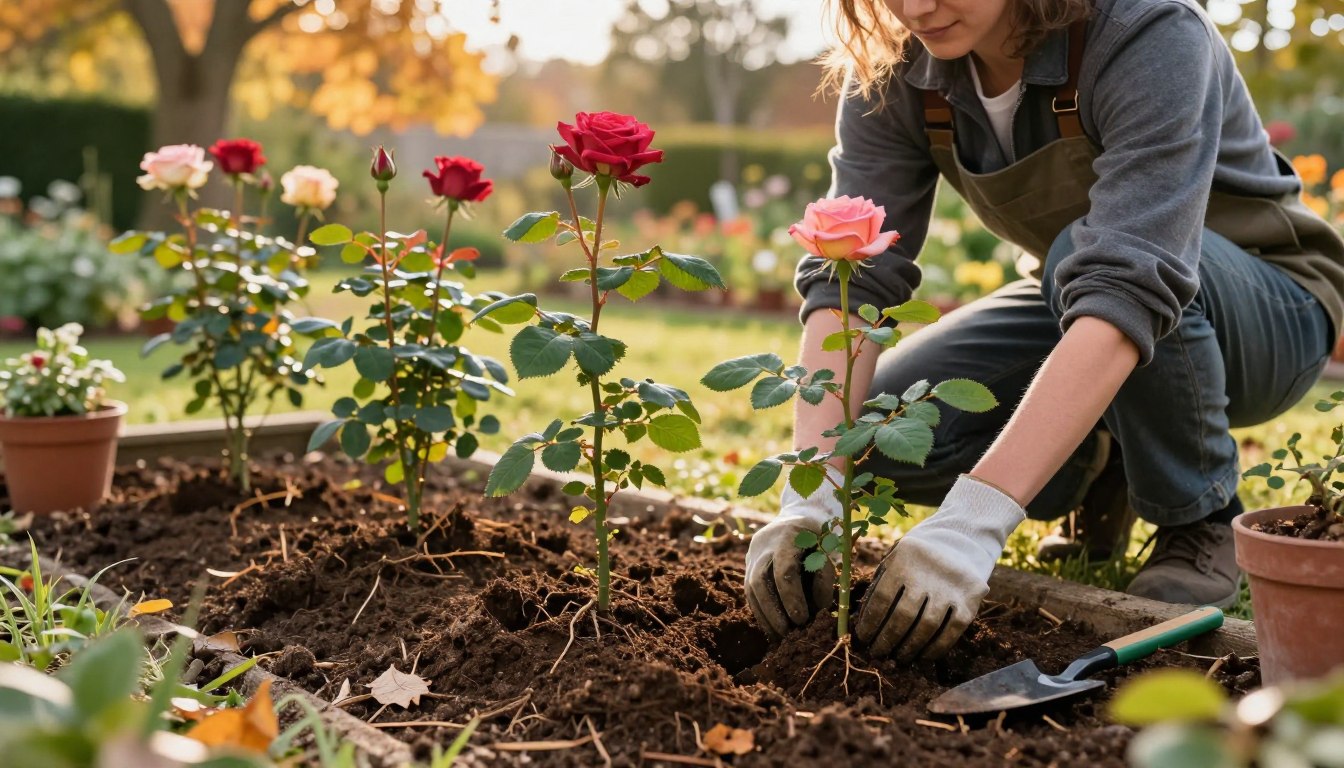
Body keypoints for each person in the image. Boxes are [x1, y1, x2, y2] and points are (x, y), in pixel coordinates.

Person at [744, 0, 1344, 662]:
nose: (916, 7)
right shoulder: (895, 67)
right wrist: (813, 489)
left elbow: (1132, 278)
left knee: (1093, 262)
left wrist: (977, 520)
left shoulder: (1147, 30)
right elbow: (849, 278)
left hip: (1270, 312)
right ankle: (1102, 464)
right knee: (879, 439)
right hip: (1079, 292)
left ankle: (1195, 515)